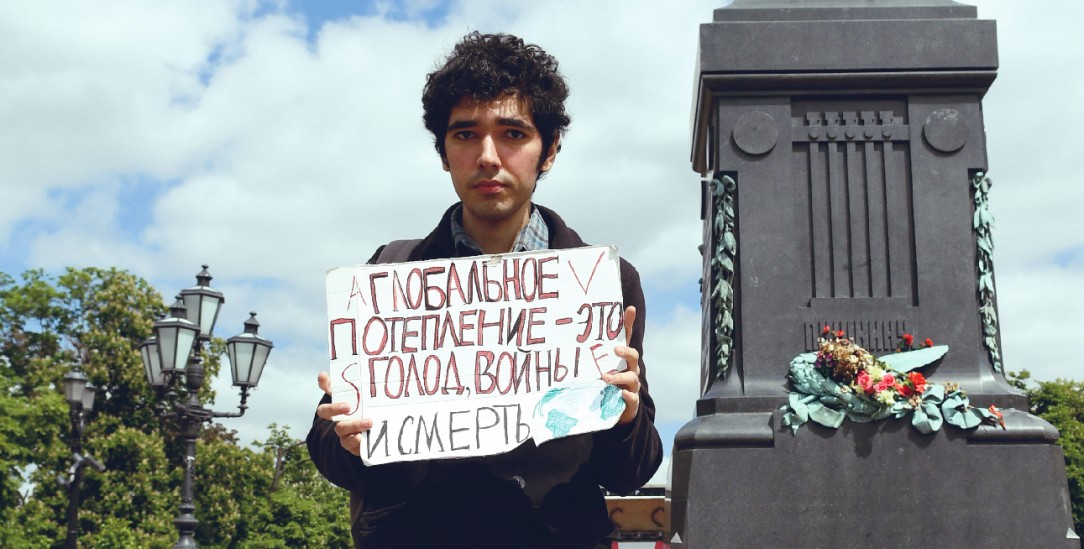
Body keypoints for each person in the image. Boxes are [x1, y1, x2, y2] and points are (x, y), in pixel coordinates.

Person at [307, 31, 662, 549]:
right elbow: (332, 451)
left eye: (513, 134)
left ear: (550, 149)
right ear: (444, 151)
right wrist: (345, 437)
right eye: (466, 135)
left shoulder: (606, 281)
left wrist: (626, 415)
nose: (488, 156)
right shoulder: (389, 272)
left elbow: (632, 471)